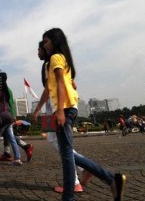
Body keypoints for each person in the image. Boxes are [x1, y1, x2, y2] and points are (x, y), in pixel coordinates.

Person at [39, 28, 126, 201]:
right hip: (70, 106)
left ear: (55, 42)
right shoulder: (63, 59)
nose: (44, 45)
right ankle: (109, 179)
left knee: (66, 155)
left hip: (64, 108)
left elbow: (61, 84)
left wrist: (61, 111)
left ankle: (73, 195)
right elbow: (58, 85)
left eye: (46, 41)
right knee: (67, 153)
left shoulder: (55, 58)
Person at [32, 40, 88, 193]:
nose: (37, 53)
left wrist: (38, 109)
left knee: (55, 141)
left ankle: (79, 173)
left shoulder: (49, 63)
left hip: (56, 106)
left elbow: (48, 89)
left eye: (39, 50)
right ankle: (81, 169)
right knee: (55, 140)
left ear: (45, 49)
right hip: (56, 106)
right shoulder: (56, 61)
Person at [0, 72, 23, 166]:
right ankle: (17, 159)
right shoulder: (6, 90)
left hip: (3, 117)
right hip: (9, 116)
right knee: (11, 138)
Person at [0, 74, 34, 162]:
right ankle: (7, 153)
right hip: (8, 115)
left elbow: (9, 103)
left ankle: (26, 146)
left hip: (7, 116)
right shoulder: (7, 89)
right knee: (6, 134)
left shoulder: (4, 90)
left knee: (8, 134)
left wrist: (13, 116)